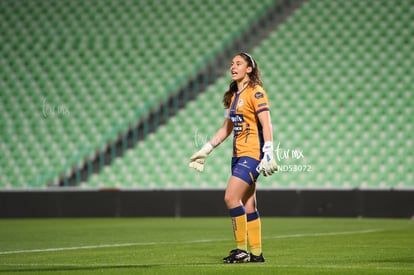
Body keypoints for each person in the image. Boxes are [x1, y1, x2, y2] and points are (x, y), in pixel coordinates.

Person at [189, 52, 277, 263]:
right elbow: (226, 128)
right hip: (237, 156)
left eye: (239, 63)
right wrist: (206, 149)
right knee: (248, 204)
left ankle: (241, 250)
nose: (233, 67)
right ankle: (256, 254)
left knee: (230, 197)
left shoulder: (256, 92)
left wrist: (269, 152)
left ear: (249, 69)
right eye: (231, 64)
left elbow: (266, 123)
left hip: (252, 154)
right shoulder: (233, 97)